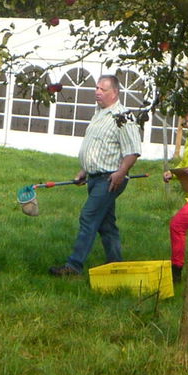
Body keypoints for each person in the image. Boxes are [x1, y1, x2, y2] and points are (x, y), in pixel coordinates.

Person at [49, 74, 142, 277]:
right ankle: (116, 265)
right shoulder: (99, 113)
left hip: (109, 179)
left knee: (88, 217)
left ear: (115, 92)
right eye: (96, 88)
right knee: (106, 224)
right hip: (94, 176)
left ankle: (74, 266)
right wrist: (85, 171)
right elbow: (99, 146)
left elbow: (133, 151)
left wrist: (121, 173)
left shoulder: (124, 117)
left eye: (103, 89)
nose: (97, 92)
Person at [162, 106, 188, 281]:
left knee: (177, 226)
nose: (187, 125)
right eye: (186, 122)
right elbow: (186, 165)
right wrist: (174, 174)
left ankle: (176, 270)